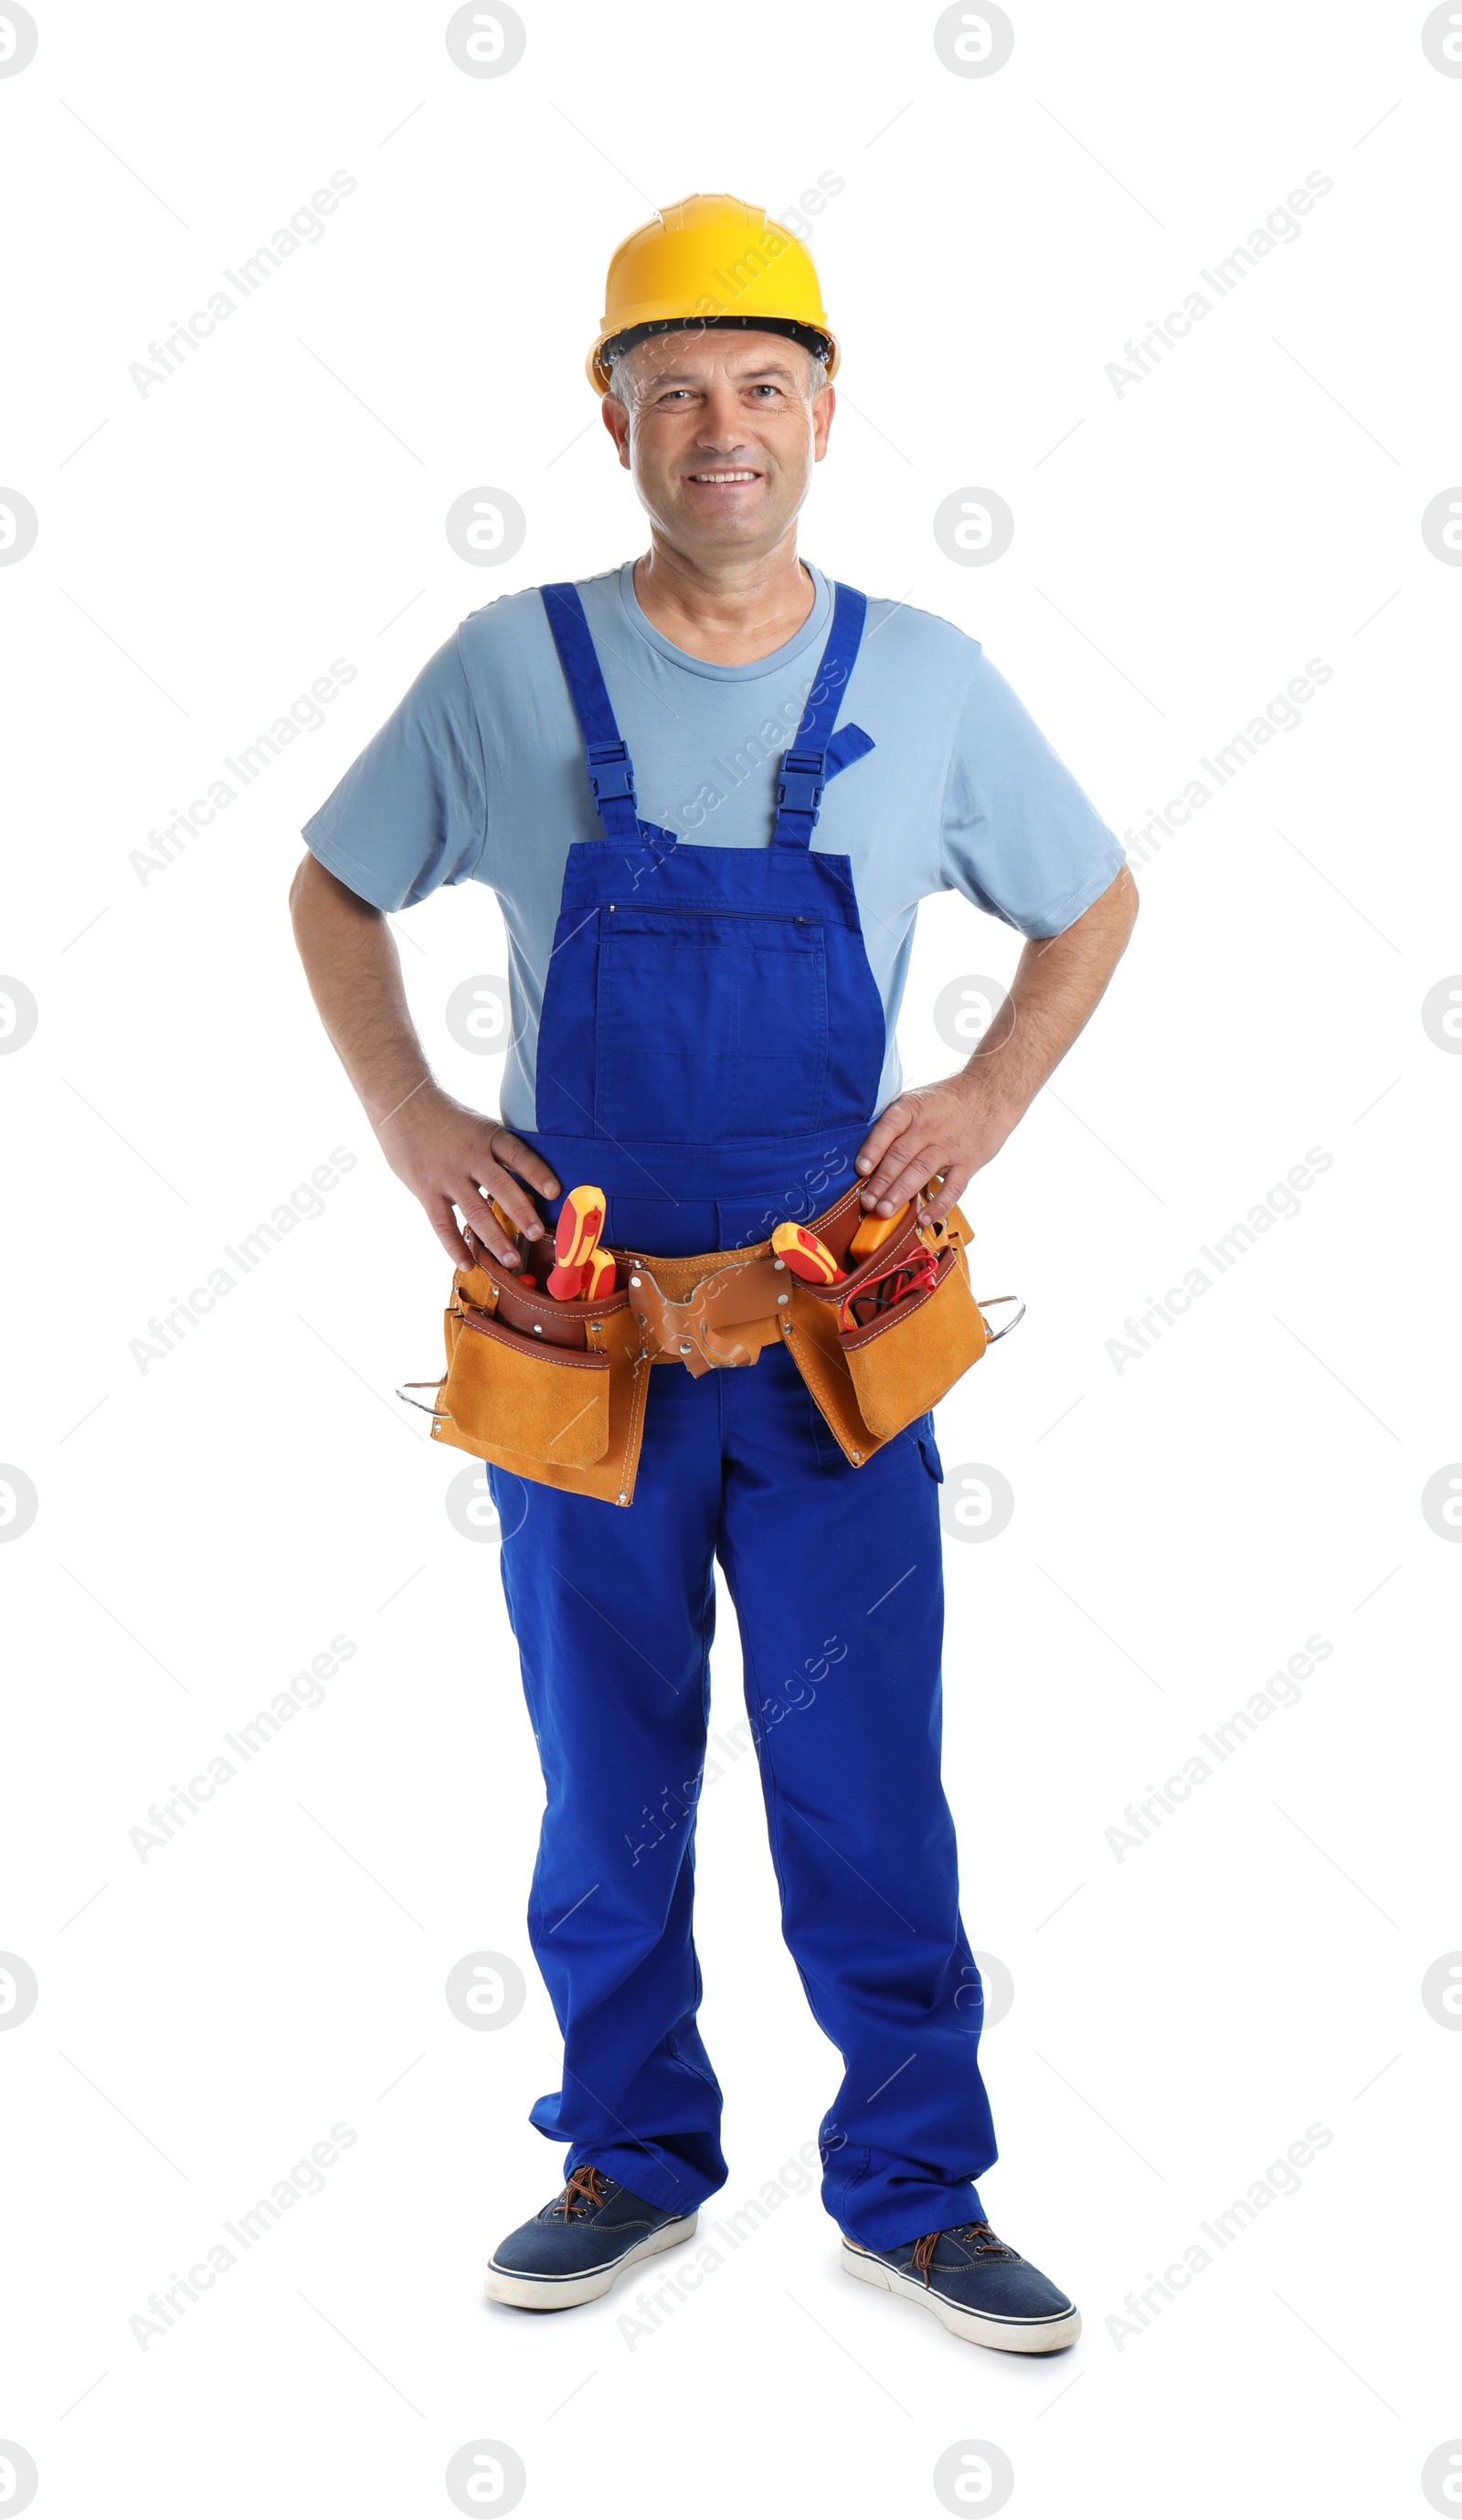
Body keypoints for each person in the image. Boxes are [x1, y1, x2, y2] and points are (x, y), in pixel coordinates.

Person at [291, 194, 1136, 2355]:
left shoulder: (924, 682)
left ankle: (914, 2189)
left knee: (867, 1773)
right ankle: (626, 2155)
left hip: (833, 1336)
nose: (721, 428)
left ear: (827, 415)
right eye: (673, 391)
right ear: (612, 423)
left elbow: (1090, 900)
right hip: (577, 1338)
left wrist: (985, 1102)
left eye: (761, 388)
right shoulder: (508, 670)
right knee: (605, 1763)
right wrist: (410, 1125)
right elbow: (331, 885)